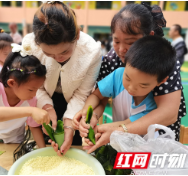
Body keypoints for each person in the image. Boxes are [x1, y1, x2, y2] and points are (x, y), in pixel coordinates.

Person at [73, 2, 186, 153]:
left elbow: (168, 113)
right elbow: (100, 98)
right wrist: (91, 115)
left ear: (149, 36)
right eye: (116, 41)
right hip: (123, 138)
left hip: (158, 140)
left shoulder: (163, 60)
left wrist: (119, 129)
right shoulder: (112, 61)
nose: (121, 50)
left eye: (131, 43)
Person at [21, 1, 101, 156]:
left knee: (72, 145)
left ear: (77, 35)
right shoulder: (30, 47)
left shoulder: (92, 52)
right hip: (42, 99)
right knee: (46, 146)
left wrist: (70, 125)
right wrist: (47, 107)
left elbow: (81, 93)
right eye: (49, 54)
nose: (57, 58)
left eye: (64, 52)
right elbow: (34, 86)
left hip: (75, 102)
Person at [74, 36, 176, 146]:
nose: (131, 88)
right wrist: (87, 114)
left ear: (161, 81)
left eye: (143, 85)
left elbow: (125, 125)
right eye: (127, 78)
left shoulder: (152, 106)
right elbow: (97, 96)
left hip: (143, 149)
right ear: (125, 62)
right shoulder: (118, 75)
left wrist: (97, 129)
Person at [0, 48, 50, 147]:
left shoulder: (31, 100)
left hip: (14, 142)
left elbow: (34, 127)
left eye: (37, 90)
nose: (34, 95)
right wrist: (31, 111)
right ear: (11, 83)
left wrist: (43, 150)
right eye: (31, 90)